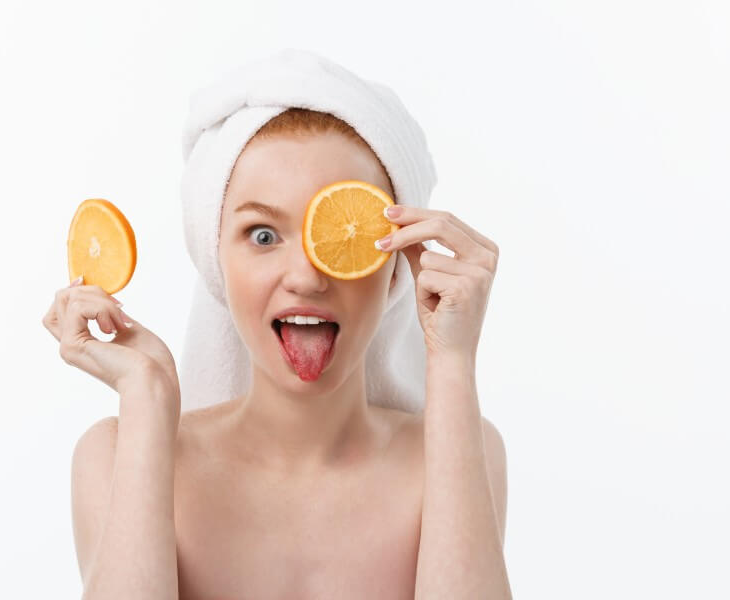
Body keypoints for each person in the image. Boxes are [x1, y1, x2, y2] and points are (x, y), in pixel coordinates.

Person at [43, 62, 510, 599]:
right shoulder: (118, 452)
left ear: (397, 266)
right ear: (216, 259)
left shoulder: (458, 452)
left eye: (342, 233)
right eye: (263, 235)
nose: (307, 277)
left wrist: (452, 360)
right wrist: (148, 397)